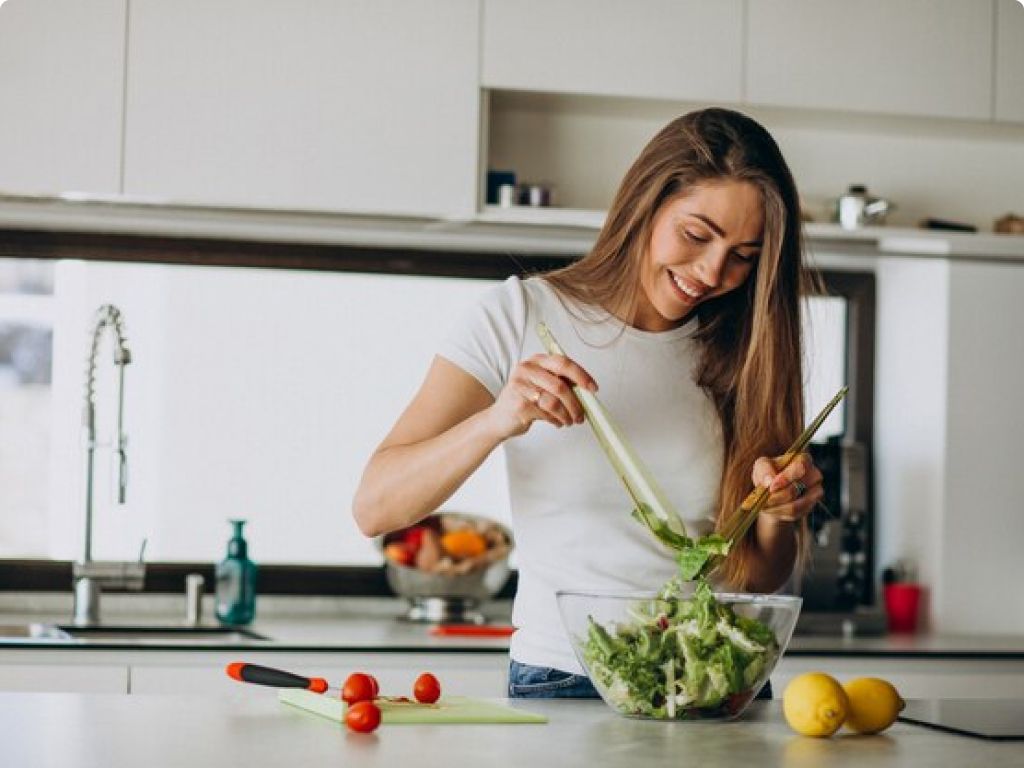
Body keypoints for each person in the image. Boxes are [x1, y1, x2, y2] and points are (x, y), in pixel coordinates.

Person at [353, 108, 824, 699]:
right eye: (696, 235)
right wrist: (497, 419)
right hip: (566, 677)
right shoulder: (519, 317)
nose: (711, 272)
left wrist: (781, 513)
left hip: (719, 680)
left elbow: (754, 573)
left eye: (743, 256)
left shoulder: (747, 349)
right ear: (645, 205)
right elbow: (375, 506)